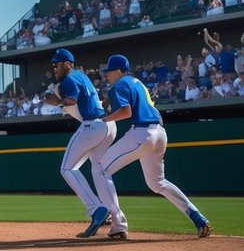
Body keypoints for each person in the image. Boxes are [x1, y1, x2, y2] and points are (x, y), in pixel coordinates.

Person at [91, 54, 212, 240]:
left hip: (141, 133)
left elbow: (126, 111)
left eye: (109, 72)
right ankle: (198, 217)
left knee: (100, 169)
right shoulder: (137, 83)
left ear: (118, 71)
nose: (107, 75)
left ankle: (118, 224)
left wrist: (105, 119)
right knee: (157, 183)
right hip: (160, 133)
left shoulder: (120, 85)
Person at [40, 49, 120, 238]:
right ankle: (117, 221)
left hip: (92, 125)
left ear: (68, 64)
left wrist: (58, 101)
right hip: (108, 125)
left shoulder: (68, 80)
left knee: (67, 169)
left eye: (57, 64)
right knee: (100, 170)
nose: (54, 68)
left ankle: (97, 209)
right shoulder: (81, 76)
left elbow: (71, 98)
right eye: (53, 65)